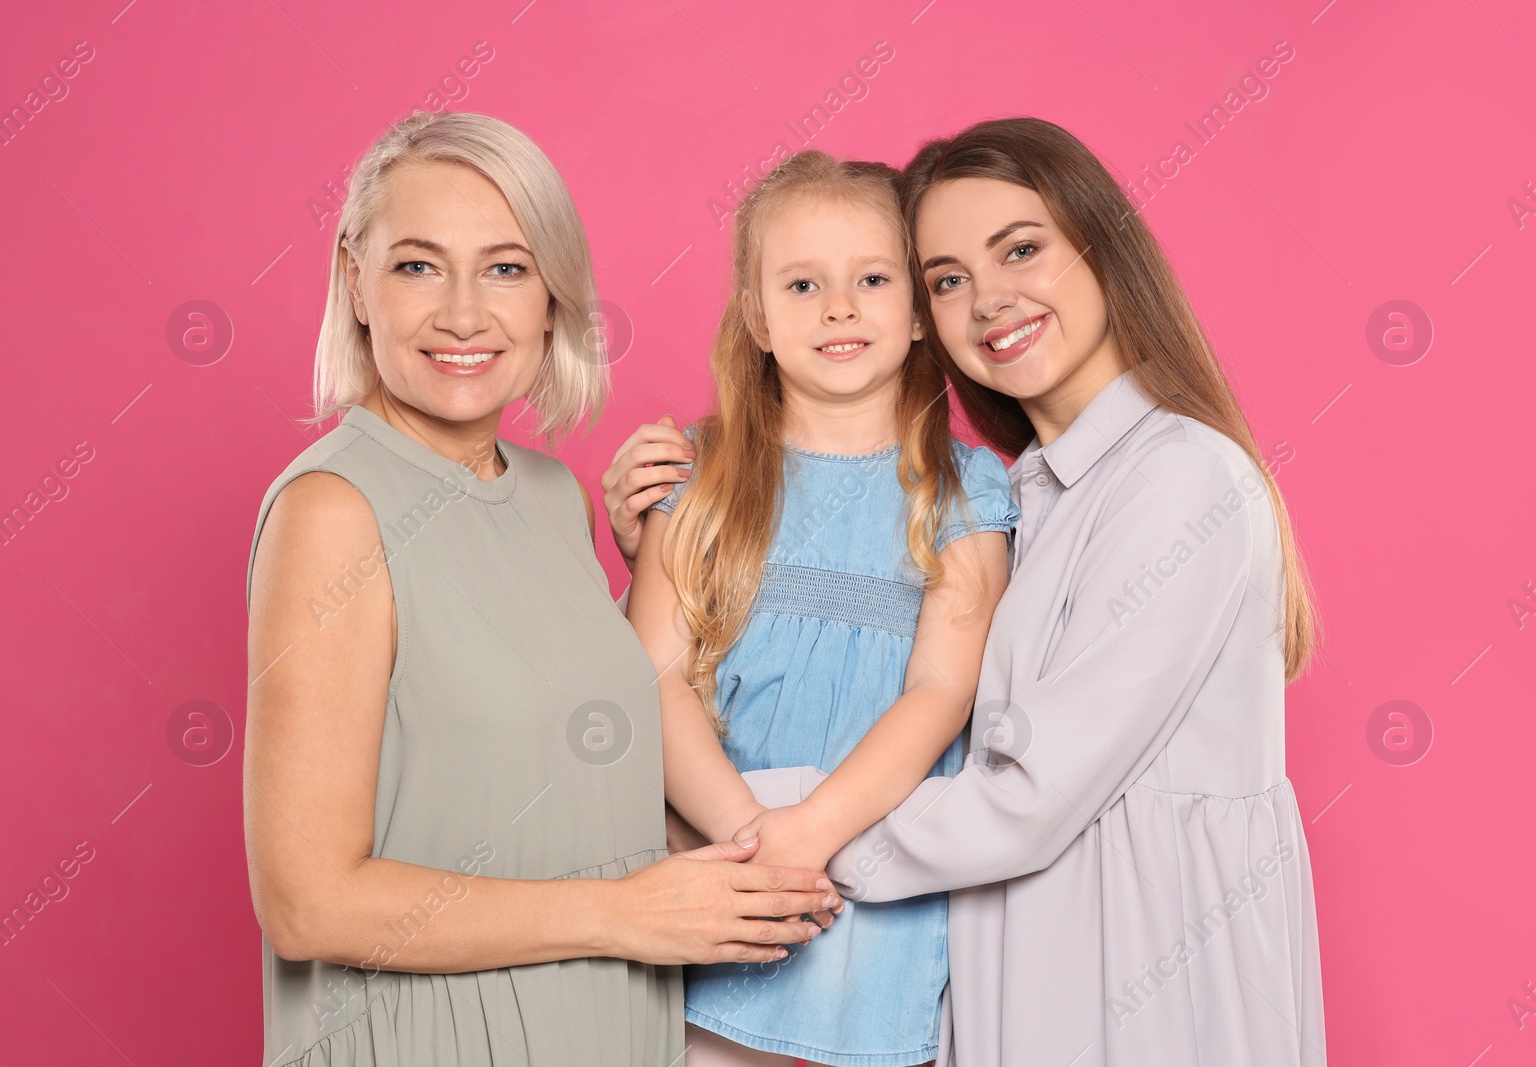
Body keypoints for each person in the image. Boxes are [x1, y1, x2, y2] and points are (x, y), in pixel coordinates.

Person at [604, 117, 1327, 1067]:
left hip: (1130, 966)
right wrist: (668, 552)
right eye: (949, 277)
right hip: (989, 968)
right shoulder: (1038, 487)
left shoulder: (1169, 483)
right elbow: (673, 666)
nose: (990, 299)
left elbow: (1018, 786)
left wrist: (772, 845)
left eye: (1022, 249)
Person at [243, 111, 840, 1067]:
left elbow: (545, 748)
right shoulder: (333, 512)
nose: (466, 314)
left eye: (508, 267)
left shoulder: (550, 494)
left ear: (553, 295)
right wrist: (627, 914)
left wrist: (651, 570)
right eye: (418, 265)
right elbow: (308, 902)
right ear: (355, 281)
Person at [624, 150, 1017, 1066]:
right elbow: (654, 672)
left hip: (871, 896)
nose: (839, 306)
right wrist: (748, 839)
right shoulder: (702, 474)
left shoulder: (964, 491)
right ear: (758, 319)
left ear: (919, 312)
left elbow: (939, 692)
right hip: (720, 879)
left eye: (872, 279)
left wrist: (809, 834)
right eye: (803, 284)